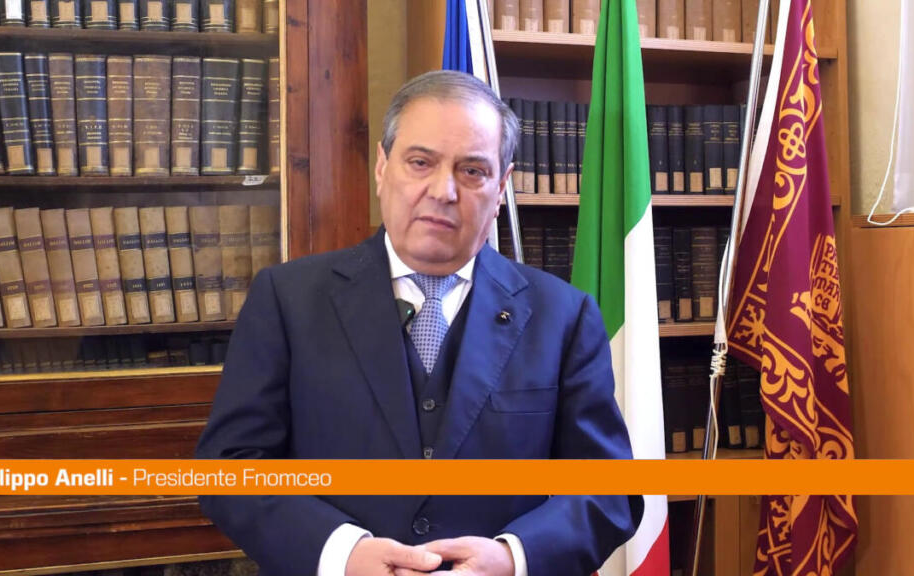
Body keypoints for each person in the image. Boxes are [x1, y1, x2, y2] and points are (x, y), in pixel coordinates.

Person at [196, 70, 643, 576]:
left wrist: (511, 558)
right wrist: (342, 553)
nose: (443, 190)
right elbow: (228, 468)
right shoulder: (287, 299)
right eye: (420, 162)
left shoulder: (564, 316)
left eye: (472, 170)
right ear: (382, 167)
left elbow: (610, 491)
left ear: (501, 187)